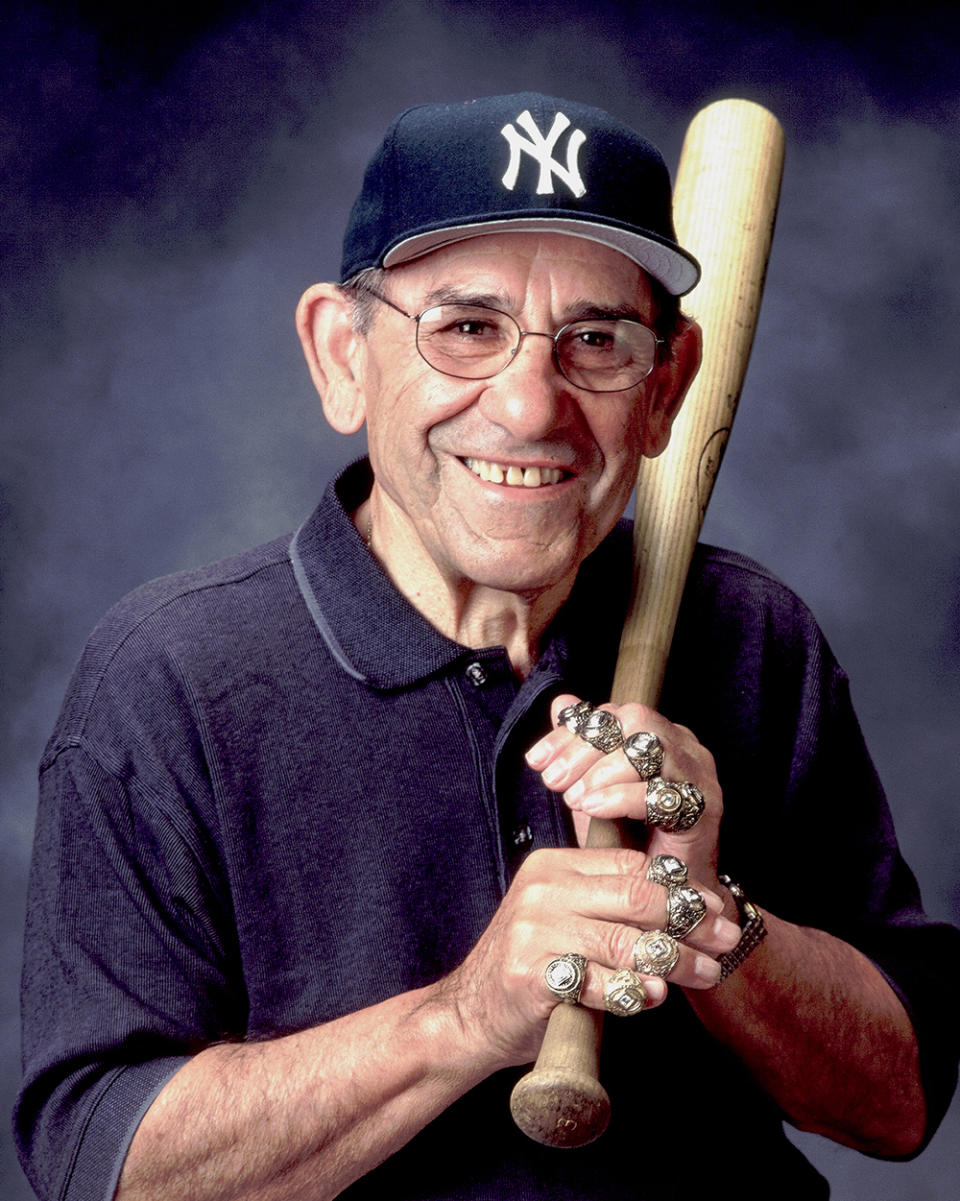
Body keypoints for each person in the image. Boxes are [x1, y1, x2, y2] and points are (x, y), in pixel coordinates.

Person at [15, 93, 959, 1201]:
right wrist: (463, 1018)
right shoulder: (172, 676)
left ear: (667, 388)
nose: (527, 405)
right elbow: (98, 1168)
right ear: (341, 355)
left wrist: (709, 921)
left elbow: (898, 1107)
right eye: (466, 326)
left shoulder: (753, 634)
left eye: (596, 341)